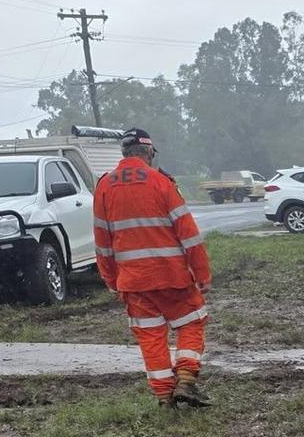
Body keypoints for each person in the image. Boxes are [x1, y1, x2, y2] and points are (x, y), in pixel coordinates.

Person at [93, 127, 212, 408]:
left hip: (132, 281)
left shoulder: (104, 187)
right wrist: (202, 273)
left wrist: (111, 279)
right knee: (192, 322)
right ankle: (185, 379)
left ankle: (163, 396)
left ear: (123, 153)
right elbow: (189, 234)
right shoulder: (161, 182)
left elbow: (102, 242)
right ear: (148, 152)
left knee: (150, 336)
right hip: (172, 276)